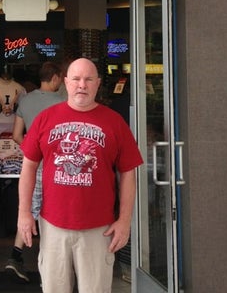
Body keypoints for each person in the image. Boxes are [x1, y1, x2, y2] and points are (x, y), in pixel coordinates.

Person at [18, 58, 143, 293]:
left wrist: (125, 220)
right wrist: (24, 212)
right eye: (76, 79)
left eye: (88, 79)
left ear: (97, 84)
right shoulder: (46, 118)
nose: (82, 85)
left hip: (98, 229)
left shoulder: (115, 122)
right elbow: (28, 167)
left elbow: (128, 173)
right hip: (53, 225)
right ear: (66, 82)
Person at [4, 61, 64, 282]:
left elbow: (17, 135)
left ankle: (15, 256)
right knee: (51, 212)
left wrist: (32, 152)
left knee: (29, 209)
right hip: (56, 163)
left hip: (33, 163)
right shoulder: (62, 102)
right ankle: (46, 265)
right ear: (56, 77)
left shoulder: (26, 100)